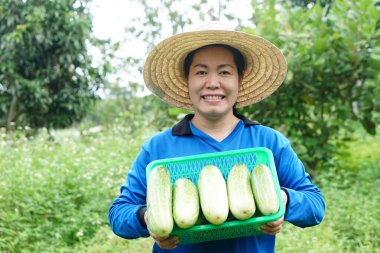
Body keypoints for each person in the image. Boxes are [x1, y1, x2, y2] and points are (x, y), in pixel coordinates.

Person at [108, 23, 326, 253]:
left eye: (224, 72)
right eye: (201, 72)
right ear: (187, 80)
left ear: (240, 79)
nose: (212, 83)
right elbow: (119, 213)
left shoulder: (270, 143)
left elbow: (315, 206)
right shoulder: (157, 148)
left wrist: (283, 199)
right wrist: (146, 217)